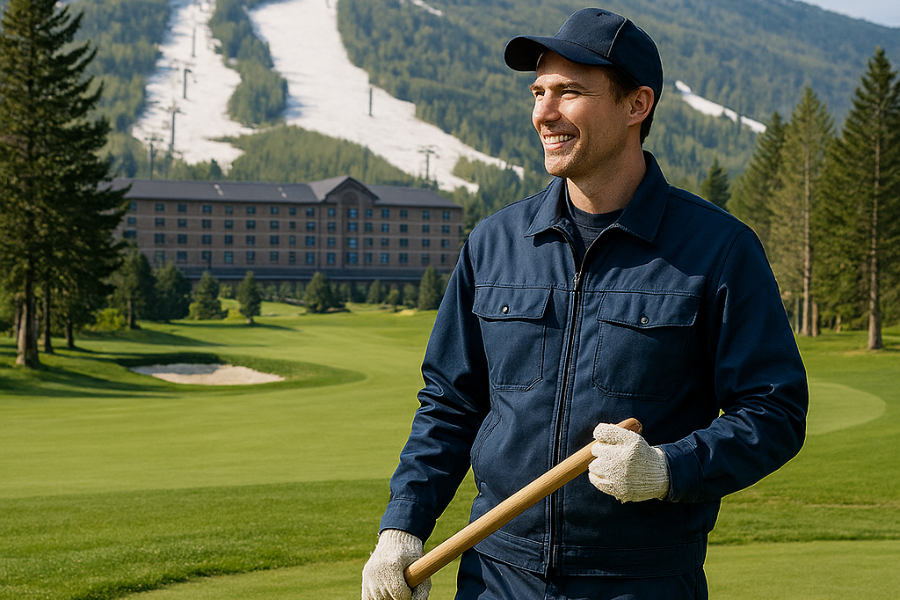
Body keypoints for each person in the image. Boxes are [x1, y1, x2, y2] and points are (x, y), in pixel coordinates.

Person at [362, 7, 808, 600]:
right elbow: (449, 403)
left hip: (641, 581)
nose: (544, 113)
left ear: (636, 105)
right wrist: (402, 527)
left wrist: (668, 469)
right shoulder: (494, 243)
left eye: (569, 92)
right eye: (539, 92)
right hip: (495, 577)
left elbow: (773, 412)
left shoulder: (719, 250)